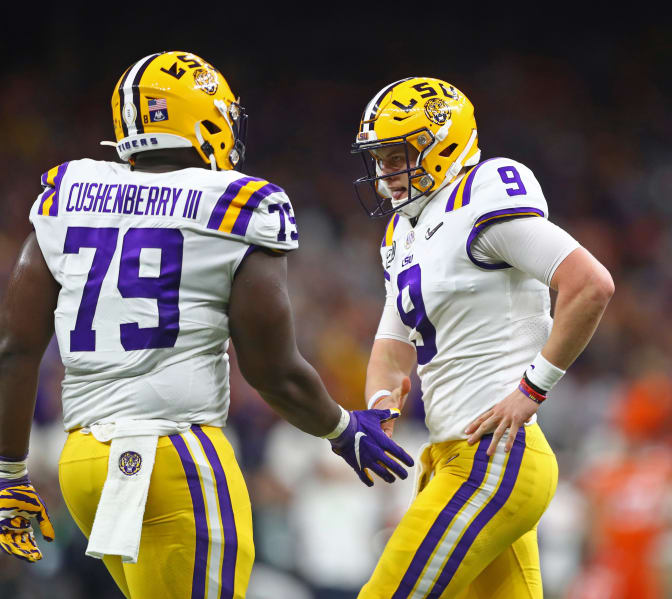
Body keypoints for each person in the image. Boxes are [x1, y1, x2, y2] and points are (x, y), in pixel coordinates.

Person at [0, 51, 412, 599]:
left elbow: (14, 348)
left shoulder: (67, 190)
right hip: (176, 458)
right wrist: (340, 429)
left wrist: (7, 472)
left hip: (85, 463)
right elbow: (273, 372)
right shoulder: (240, 202)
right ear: (202, 116)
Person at [350, 77, 614, 598]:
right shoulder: (404, 231)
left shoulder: (481, 196)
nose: (386, 171)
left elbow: (589, 284)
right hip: (452, 457)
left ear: (443, 143)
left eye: (398, 152)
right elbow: (392, 344)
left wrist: (531, 389)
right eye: (379, 157)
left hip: (493, 462)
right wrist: (381, 402)